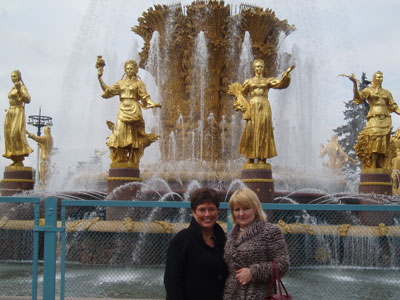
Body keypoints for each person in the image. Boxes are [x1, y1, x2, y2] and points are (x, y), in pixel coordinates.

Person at [223, 188, 289, 300]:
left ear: (255, 208)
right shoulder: (230, 236)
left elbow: (283, 264)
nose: (241, 213)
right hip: (231, 295)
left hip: (259, 295)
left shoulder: (270, 231)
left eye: (246, 208)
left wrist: (253, 272)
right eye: (237, 209)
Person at [164, 187, 227, 300]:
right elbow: (172, 281)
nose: (207, 214)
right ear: (194, 212)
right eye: (202, 210)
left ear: (217, 210)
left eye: (211, 209)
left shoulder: (223, 239)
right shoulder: (182, 240)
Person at [97, 58, 161, 166]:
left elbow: (145, 96)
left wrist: (152, 103)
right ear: (125, 70)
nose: (129, 70)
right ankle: (120, 158)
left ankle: (132, 158)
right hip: (123, 109)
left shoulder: (139, 84)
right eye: (127, 68)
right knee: (119, 133)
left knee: (135, 135)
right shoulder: (120, 83)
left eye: (131, 68)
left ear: (135, 70)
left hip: (134, 108)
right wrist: (99, 78)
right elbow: (107, 91)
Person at [229, 60, 295, 164]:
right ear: (254, 68)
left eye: (261, 67)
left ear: (263, 68)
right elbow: (242, 94)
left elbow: (280, 84)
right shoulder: (249, 81)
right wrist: (239, 103)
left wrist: (286, 74)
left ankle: (262, 158)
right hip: (252, 106)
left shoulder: (267, 81)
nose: (259, 69)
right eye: (257, 67)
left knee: (264, 130)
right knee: (250, 130)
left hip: (264, 106)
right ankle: (250, 156)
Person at [347, 71, 400, 169]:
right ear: (374, 78)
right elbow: (358, 97)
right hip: (374, 118)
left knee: (384, 142)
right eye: (378, 77)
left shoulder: (387, 93)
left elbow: (394, 107)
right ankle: (373, 165)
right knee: (375, 140)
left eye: (381, 77)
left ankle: (382, 166)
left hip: (385, 119)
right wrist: (354, 83)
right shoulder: (369, 90)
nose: (380, 79)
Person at [3, 70, 33, 166]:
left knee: (15, 135)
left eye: (15, 76)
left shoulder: (22, 87)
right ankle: (15, 159)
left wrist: (19, 90)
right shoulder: (12, 88)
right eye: (12, 76)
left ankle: (20, 157)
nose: (13, 78)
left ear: (19, 77)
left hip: (18, 111)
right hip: (10, 113)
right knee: (8, 136)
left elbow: (27, 100)